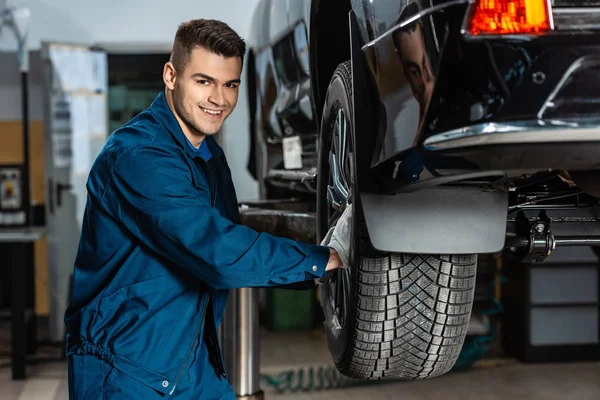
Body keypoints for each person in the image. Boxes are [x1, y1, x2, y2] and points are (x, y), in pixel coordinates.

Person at [64, 19, 349, 399]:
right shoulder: (139, 155)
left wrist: (323, 258)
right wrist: (322, 260)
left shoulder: (208, 157)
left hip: (191, 362)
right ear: (171, 75)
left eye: (230, 84)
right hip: (125, 370)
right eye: (204, 81)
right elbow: (216, 249)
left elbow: (229, 240)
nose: (219, 98)